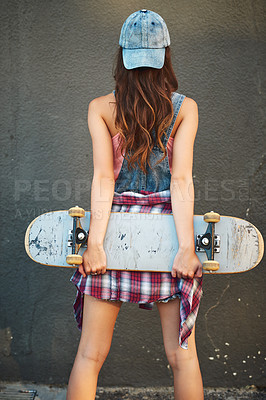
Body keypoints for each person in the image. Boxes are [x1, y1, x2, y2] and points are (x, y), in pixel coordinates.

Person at [67, 9, 204, 400]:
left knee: (89, 356)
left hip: (114, 233)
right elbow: (180, 181)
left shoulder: (101, 108)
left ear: (122, 57)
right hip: (166, 233)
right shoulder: (186, 109)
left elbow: (104, 180)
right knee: (182, 357)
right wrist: (186, 249)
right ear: (166, 57)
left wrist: (94, 244)